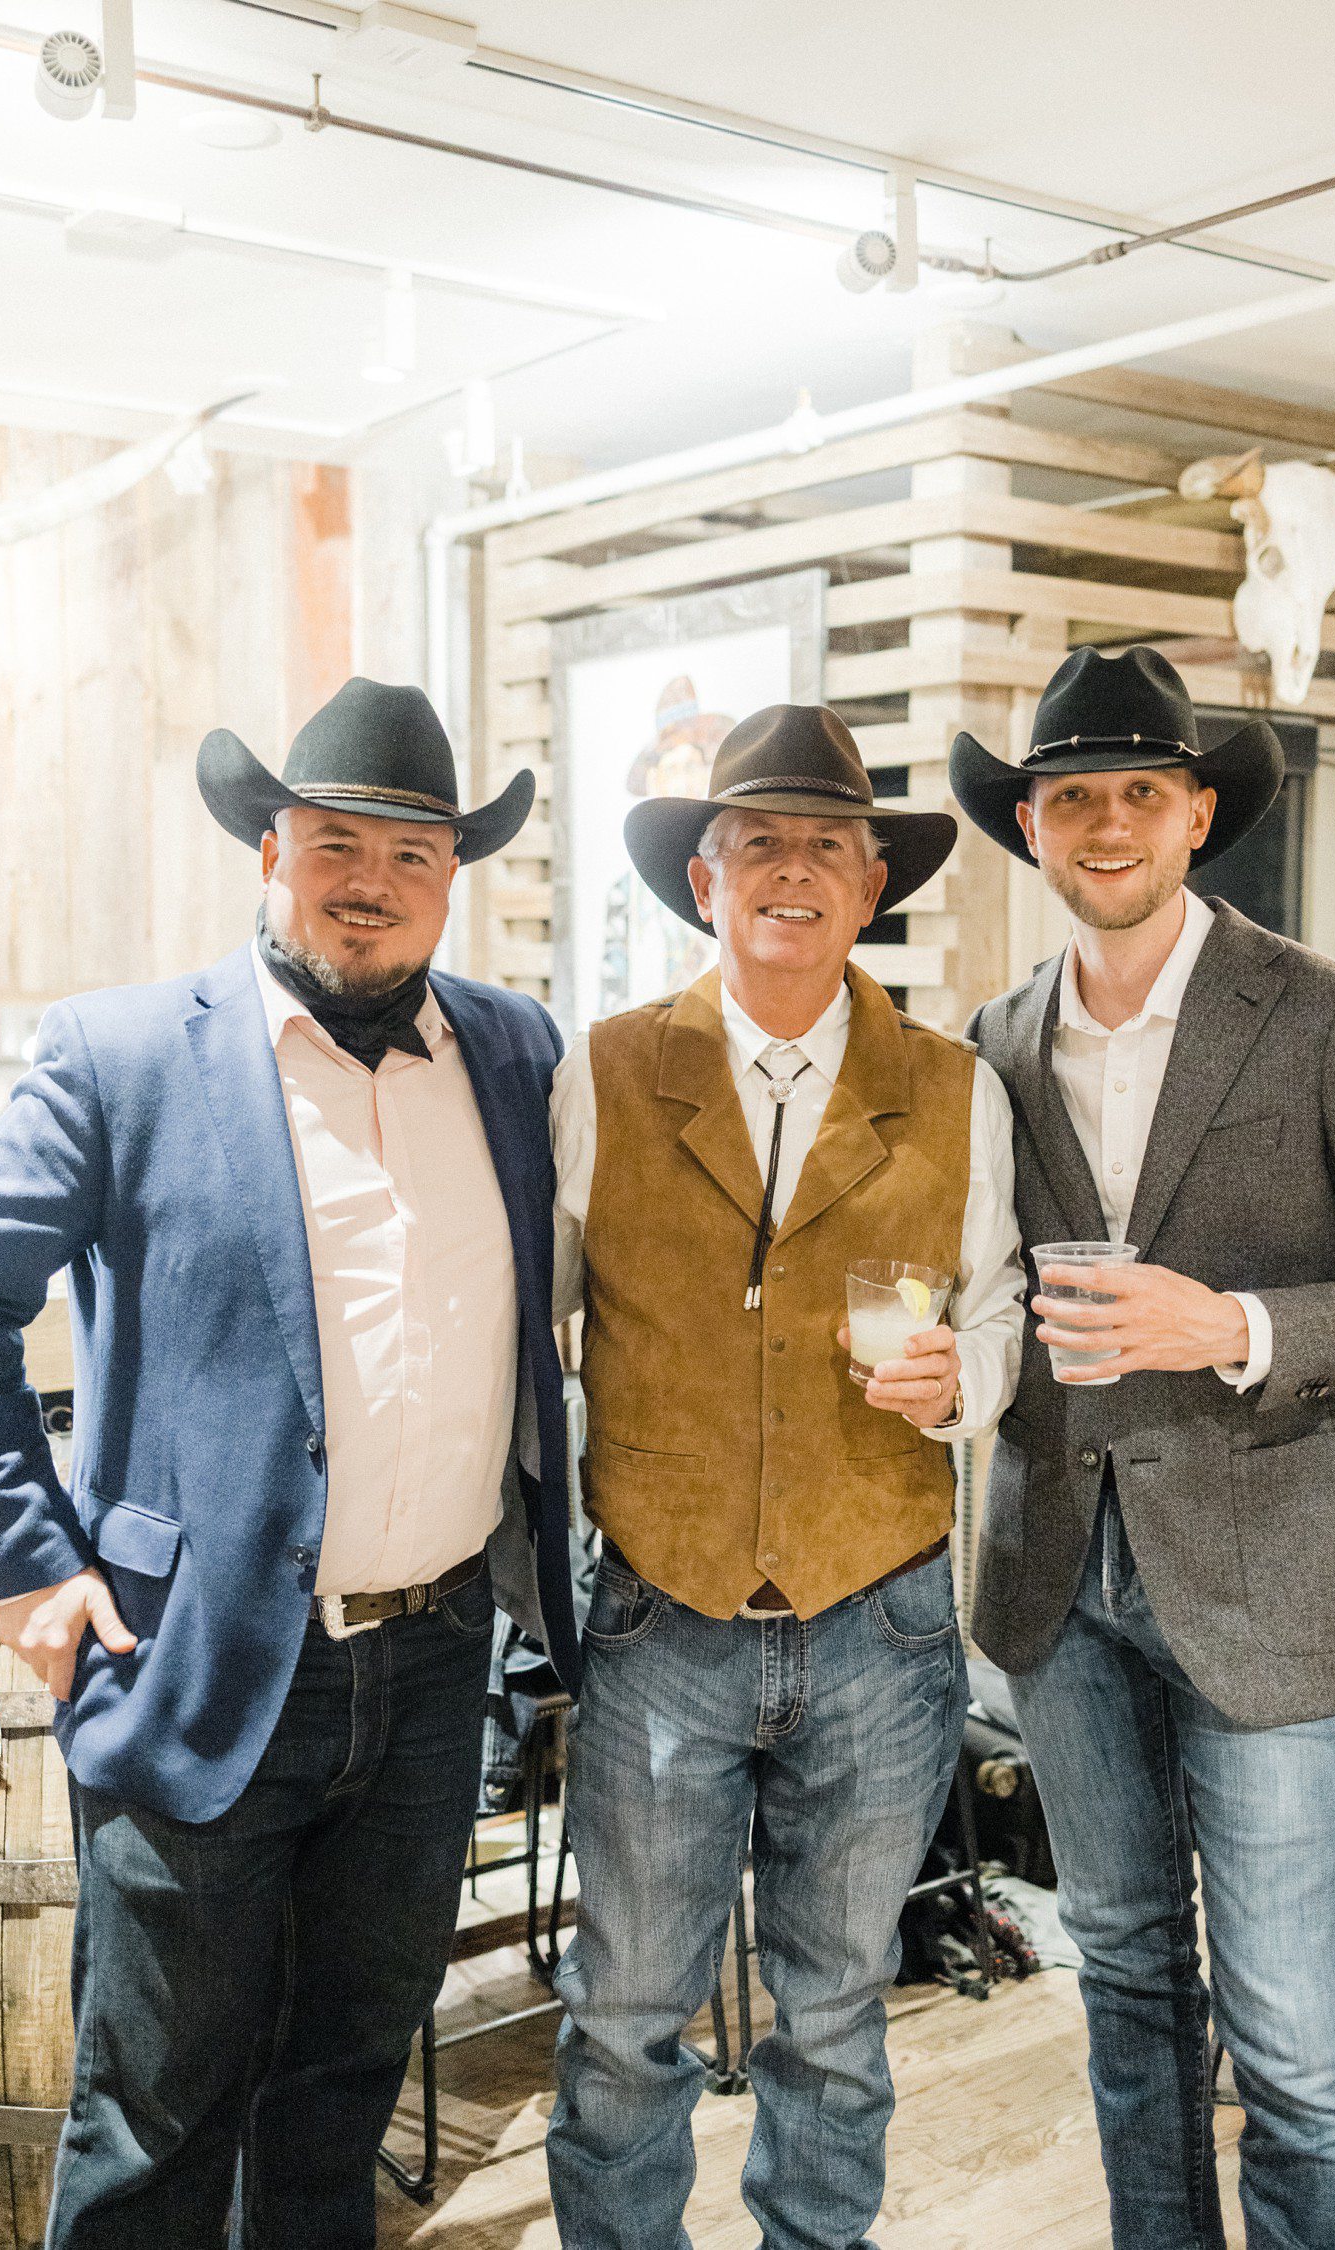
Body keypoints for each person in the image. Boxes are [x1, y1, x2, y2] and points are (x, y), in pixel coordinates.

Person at [0, 676, 580, 2249]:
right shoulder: (124, 1054)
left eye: (412, 853)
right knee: (154, 2118)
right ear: (269, 849)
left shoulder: (512, 1048)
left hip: (431, 1675)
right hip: (198, 1660)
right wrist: (27, 1562)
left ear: (453, 875)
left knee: (339, 2094)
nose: (370, 880)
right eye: (334, 840)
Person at [950, 643, 1335, 2250]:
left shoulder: (1331, 1016)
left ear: (1197, 810)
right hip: (1058, 1590)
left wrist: (1232, 1326)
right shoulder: (993, 1042)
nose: (1105, 824)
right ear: (1028, 826)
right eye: (1070, 796)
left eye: (1138, 793)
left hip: (1270, 1600)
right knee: (1130, 1986)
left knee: (1294, 2037)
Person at [546, 703, 1024, 2250]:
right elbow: (535, 1320)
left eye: (829, 843)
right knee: (622, 2024)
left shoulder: (956, 1087)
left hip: (878, 1622)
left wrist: (971, 1379)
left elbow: (1002, 1308)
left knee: (835, 2024)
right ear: (706, 877)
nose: (795, 870)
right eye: (761, 840)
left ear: (873, 884)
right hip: (659, 1621)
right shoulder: (604, 1074)